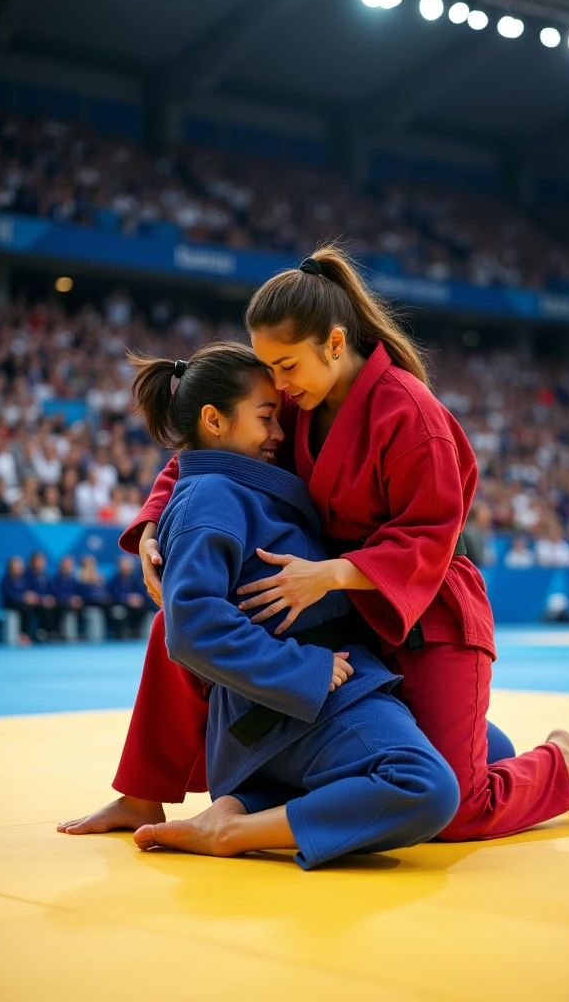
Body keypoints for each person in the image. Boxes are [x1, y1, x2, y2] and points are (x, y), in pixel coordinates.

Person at [124, 245, 569, 830]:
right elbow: (208, 449)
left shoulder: (410, 415)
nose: (276, 384)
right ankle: (143, 793)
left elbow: (431, 534)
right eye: (269, 368)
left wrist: (331, 573)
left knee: (456, 808)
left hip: (425, 610)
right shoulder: (299, 399)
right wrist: (154, 524)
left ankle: (556, 764)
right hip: (339, 610)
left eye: (286, 366)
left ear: (333, 343)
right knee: (175, 622)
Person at [59, 344, 460, 869]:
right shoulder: (214, 496)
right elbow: (191, 625)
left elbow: (191, 465)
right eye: (267, 418)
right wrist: (305, 669)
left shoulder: (238, 480)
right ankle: (236, 828)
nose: (280, 433)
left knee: (482, 752)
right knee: (429, 788)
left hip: (327, 686)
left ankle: (243, 803)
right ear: (214, 420)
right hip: (302, 697)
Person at [106, 557, 151, 639]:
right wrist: (127, 599)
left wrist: (138, 599)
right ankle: (122, 633)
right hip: (120, 604)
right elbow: (114, 594)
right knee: (120, 611)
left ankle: (135, 631)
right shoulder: (114, 580)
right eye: (125, 565)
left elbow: (142, 592)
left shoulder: (135, 579)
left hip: (136, 605)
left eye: (128, 565)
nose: (127, 567)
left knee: (143, 609)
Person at [0, 556, 35, 645]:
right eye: (16, 567)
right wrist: (23, 597)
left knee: (30, 607)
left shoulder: (24, 580)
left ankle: (41, 634)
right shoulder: (5, 580)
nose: (18, 569)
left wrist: (30, 597)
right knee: (25, 607)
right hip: (10, 604)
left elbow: (29, 592)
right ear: (10, 568)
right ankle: (22, 635)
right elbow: (9, 595)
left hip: (22, 604)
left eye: (19, 567)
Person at [25, 551, 60, 641]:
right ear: (33, 562)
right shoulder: (27, 575)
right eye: (40, 561)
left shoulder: (45, 576)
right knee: (43, 609)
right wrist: (41, 599)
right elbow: (28, 592)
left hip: (45, 602)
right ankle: (41, 633)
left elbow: (51, 590)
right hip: (34, 603)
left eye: (43, 561)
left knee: (59, 606)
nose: (42, 563)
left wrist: (51, 598)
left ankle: (53, 633)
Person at [51, 556, 86, 635]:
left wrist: (78, 599)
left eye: (70, 565)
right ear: (61, 566)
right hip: (61, 605)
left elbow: (79, 592)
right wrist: (69, 599)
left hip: (76, 605)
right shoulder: (55, 579)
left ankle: (81, 634)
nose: (68, 567)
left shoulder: (74, 579)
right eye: (66, 565)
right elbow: (56, 594)